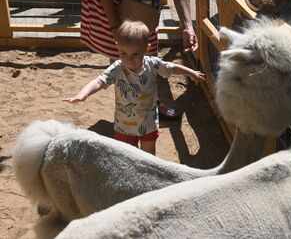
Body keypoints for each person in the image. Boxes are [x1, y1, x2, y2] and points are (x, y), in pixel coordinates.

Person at [64, 20, 205, 155]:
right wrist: (84, 93)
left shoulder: (153, 64)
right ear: (117, 47)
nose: (128, 59)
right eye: (123, 53)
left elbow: (172, 68)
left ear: (146, 49)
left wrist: (191, 72)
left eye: (135, 54)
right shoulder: (117, 68)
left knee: (148, 154)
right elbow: (99, 81)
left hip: (148, 123)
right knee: (128, 156)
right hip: (124, 126)